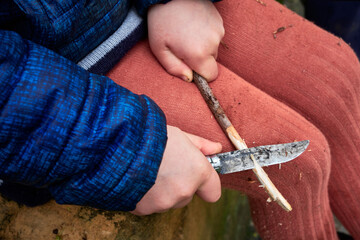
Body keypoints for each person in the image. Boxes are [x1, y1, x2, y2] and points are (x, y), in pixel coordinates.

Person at [0, 0, 359, 240]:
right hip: (63, 77)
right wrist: (121, 150)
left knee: (340, 79)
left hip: (147, 8)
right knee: (300, 168)